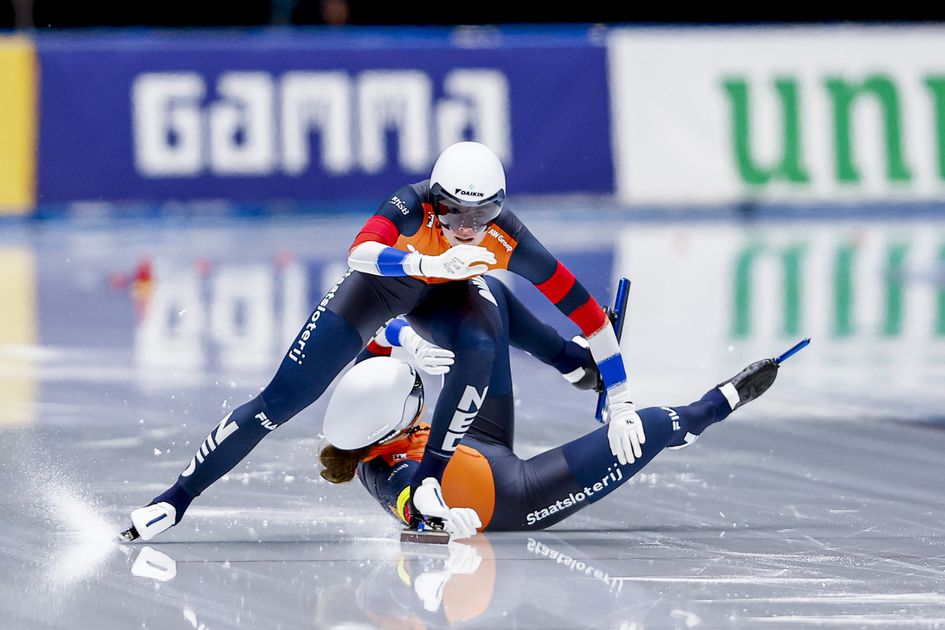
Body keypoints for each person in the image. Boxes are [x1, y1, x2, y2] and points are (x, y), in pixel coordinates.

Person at [122, 141, 641, 541]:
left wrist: (620, 399)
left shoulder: (509, 236)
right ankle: (175, 498)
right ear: (434, 200)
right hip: (376, 291)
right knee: (277, 404)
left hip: (444, 295)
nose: (466, 228)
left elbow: (590, 316)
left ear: (498, 208)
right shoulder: (411, 205)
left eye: (480, 216)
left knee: (482, 343)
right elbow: (360, 253)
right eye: (453, 213)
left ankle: (431, 480)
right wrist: (425, 266)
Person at [318, 276, 780, 537]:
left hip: (474, 438)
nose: (423, 399)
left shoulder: (364, 403)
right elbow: (408, 504)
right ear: (389, 430)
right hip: (516, 494)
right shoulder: (388, 472)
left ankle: (576, 364)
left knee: (484, 295)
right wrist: (434, 519)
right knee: (650, 424)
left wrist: (409, 339)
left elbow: (378, 332)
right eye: (415, 399)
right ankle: (710, 409)